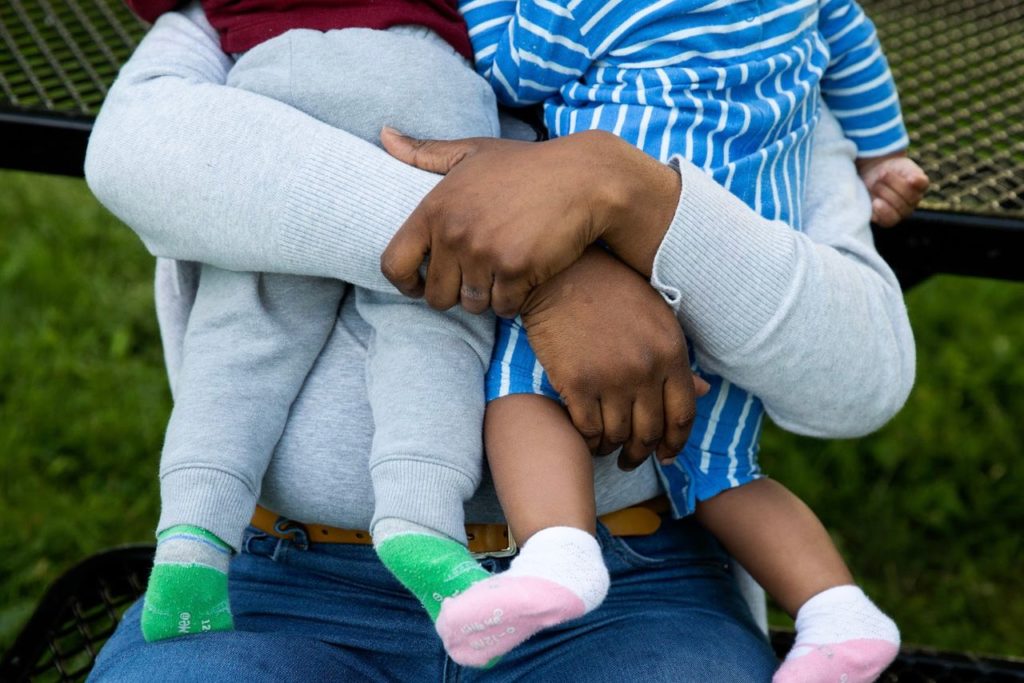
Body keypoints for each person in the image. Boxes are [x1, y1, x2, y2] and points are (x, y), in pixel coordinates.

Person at [83, 4, 915, 681]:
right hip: (282, 579)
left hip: (628, 587)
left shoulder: (745, 42)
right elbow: (137, 151)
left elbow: (861, 376)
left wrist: (631, 197)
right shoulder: (268, 14)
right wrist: (549, 271)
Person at [417, 0, 928, 677]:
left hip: (603, 242)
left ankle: (558, 555)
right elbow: (854, 46)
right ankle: (838, 611)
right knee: (722, 469)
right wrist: (884, 153)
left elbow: (509, 70)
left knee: (522, 396)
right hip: (732, 253)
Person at [119, 0, 516, 646]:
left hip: (272, 83)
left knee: (240, 329)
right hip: (420, 82)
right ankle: (422, 522)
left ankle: (192, 535)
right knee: (433, 315)